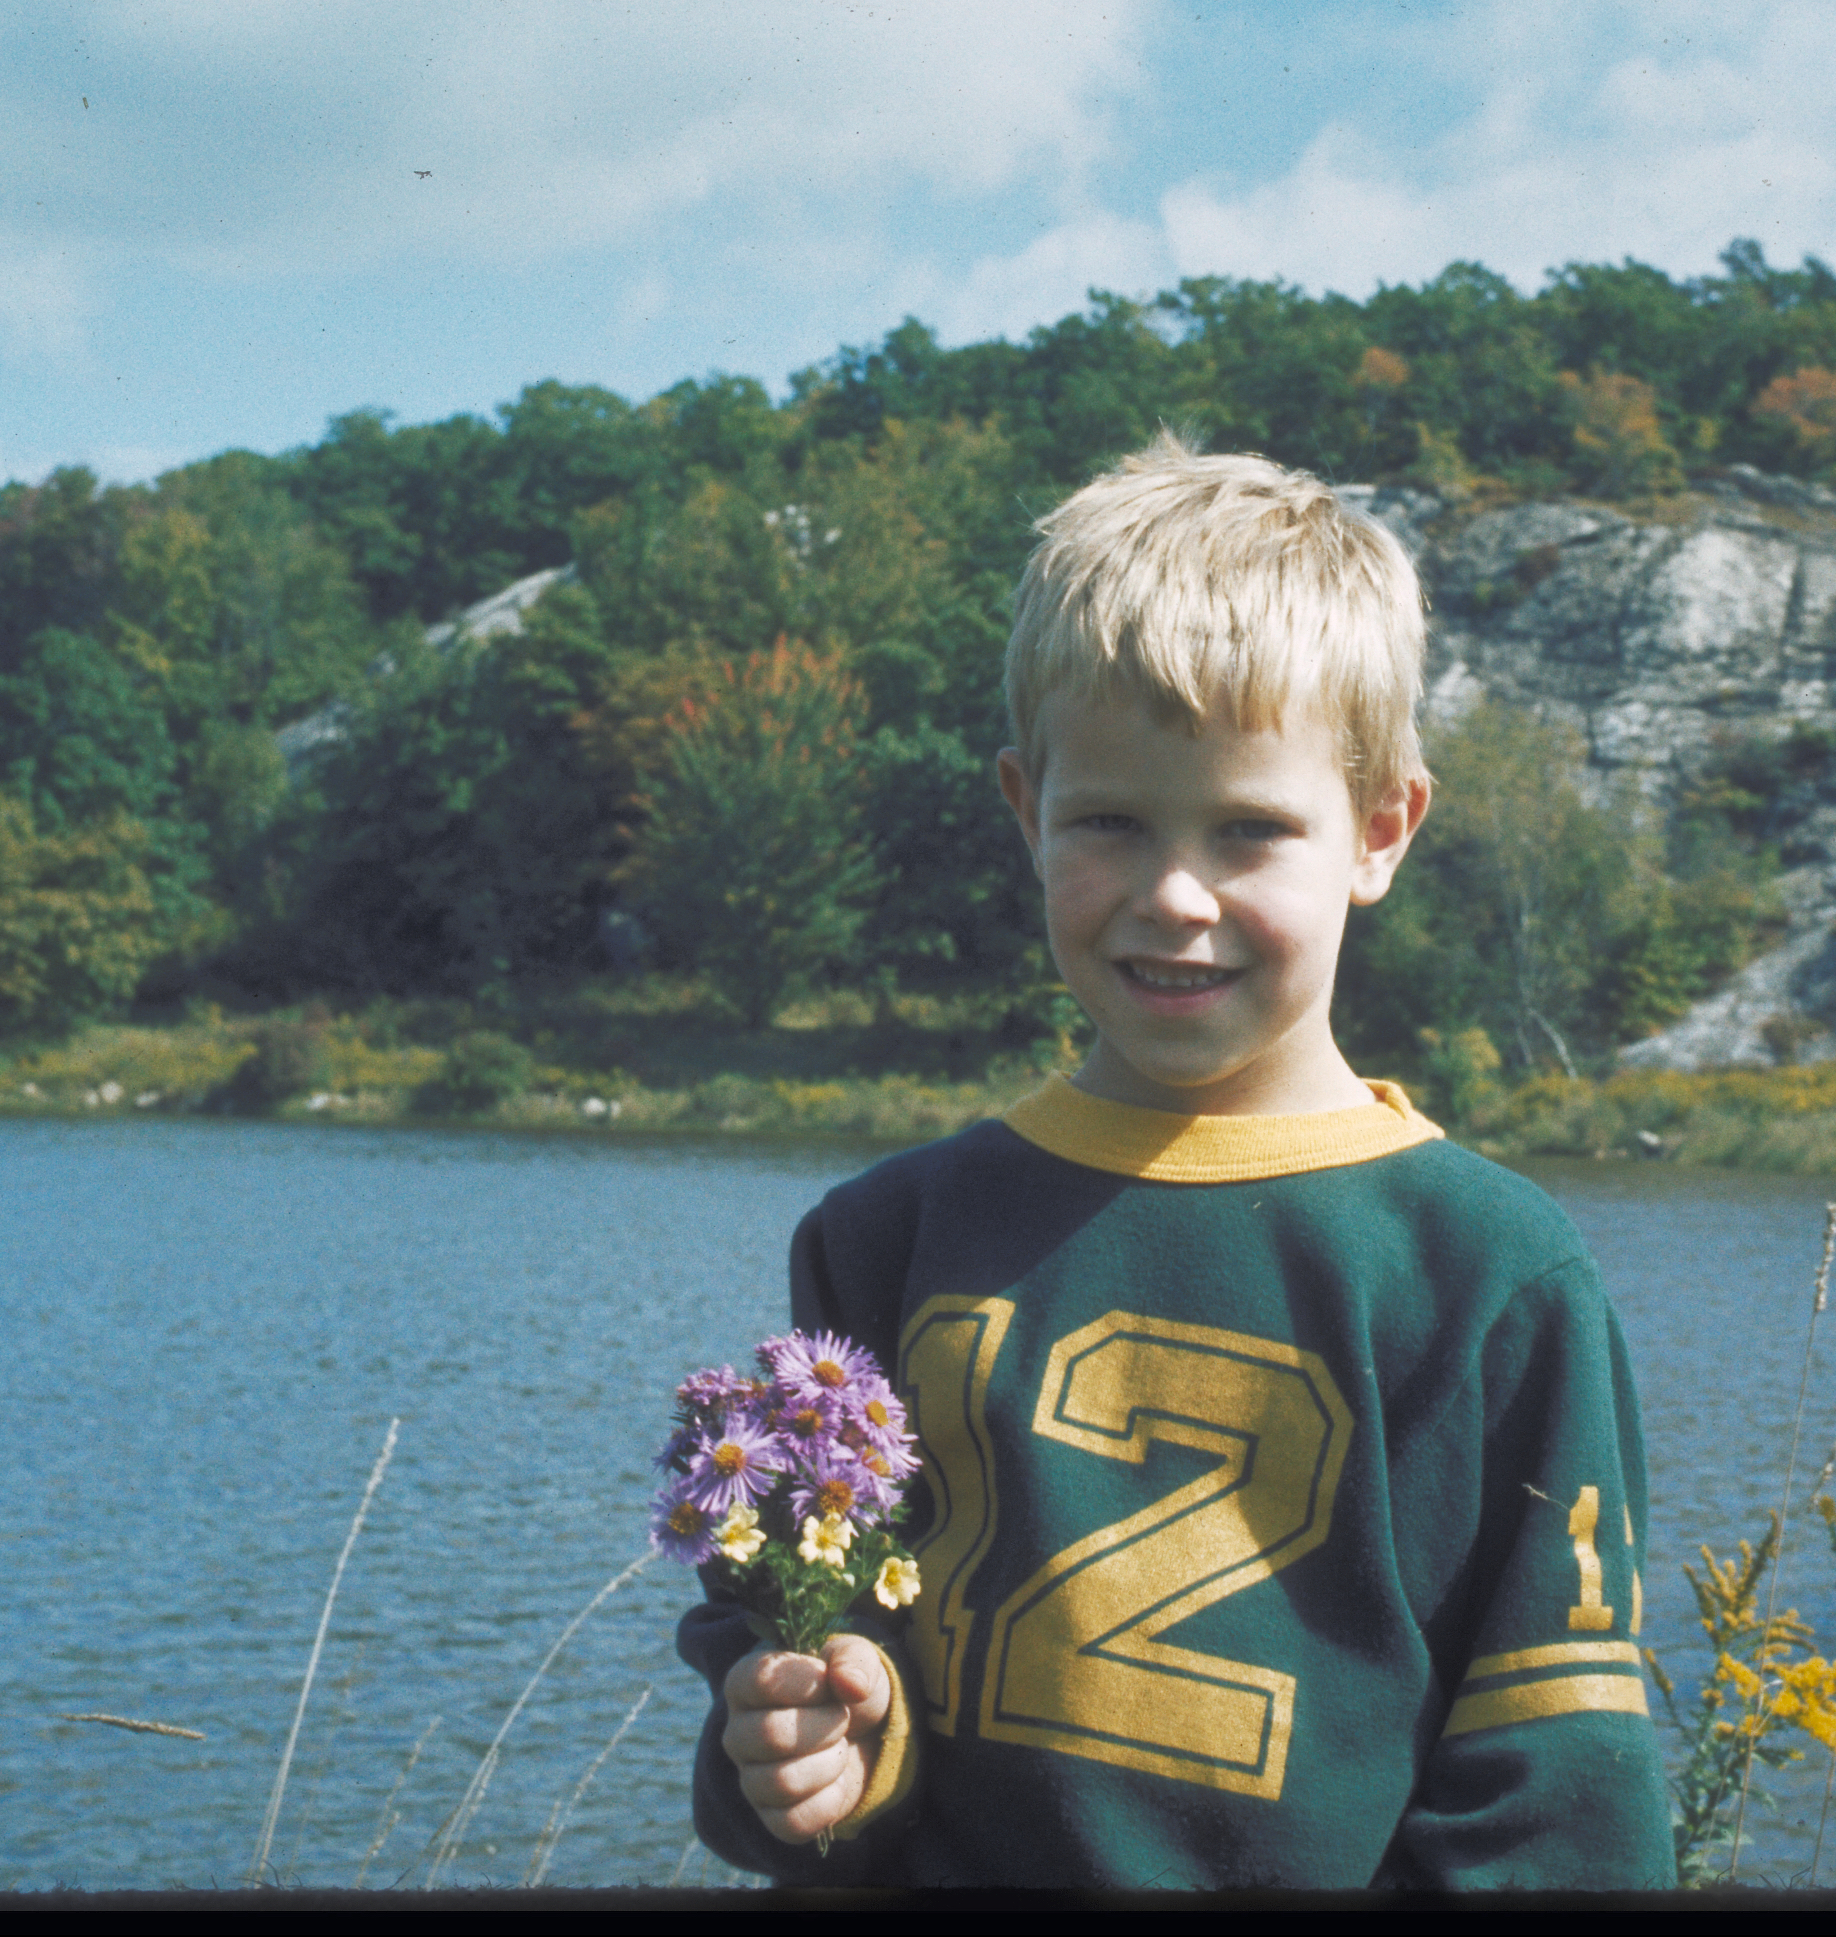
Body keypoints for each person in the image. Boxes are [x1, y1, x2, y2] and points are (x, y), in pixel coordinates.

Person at [675, 436, 1678, 1890]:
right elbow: (796, 1654)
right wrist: (808, 1750)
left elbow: (1555, 1799)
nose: (1175, 896)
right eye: (1110, 823)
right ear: (1026, 811)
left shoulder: (1492, 1276)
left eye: (1251, 830)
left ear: (1380, 831)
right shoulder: (884, 1239)